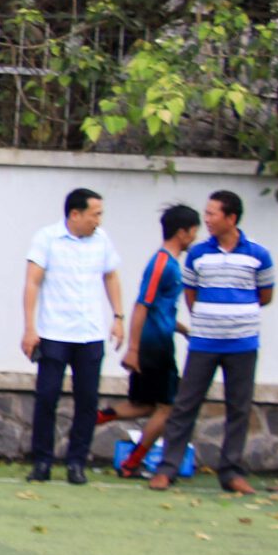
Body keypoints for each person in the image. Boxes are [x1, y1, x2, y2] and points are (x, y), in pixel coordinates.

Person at [157, 190, 276, 497]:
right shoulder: (197, 254)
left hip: (243, 343)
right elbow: (191, 294)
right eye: (206, 213)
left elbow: (265, 295)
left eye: (212, 214)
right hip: (204, 342)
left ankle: (231, 472)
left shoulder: (259, 254)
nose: (206, 220)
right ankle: (167, 468)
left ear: (231, 218)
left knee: (239, 408)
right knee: (185, 405)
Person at [20, 187, 126, 485]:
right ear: (75, 214)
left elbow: (111, 276)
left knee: (87, 400)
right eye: (95, 214)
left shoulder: (102, 240)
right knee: (47, 397)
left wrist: (118, 317)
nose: (98, 221)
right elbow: (32, 283)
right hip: (53, 332)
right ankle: (42, 461)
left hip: (90, 333)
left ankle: (77, 462)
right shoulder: (47, 238)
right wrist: (29, 328)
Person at [111, 205, 198, 481]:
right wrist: (133, 349)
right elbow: (142, 305)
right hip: (155, 346)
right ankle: (132, 463)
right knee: (167, 408)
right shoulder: (162, 264)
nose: (195, 237)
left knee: (145, 405)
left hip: (159, 341)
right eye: (194, 231)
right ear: (182, 233)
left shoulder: (170, 264)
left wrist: (183, 330)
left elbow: (162, 310)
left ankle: (93, 418)